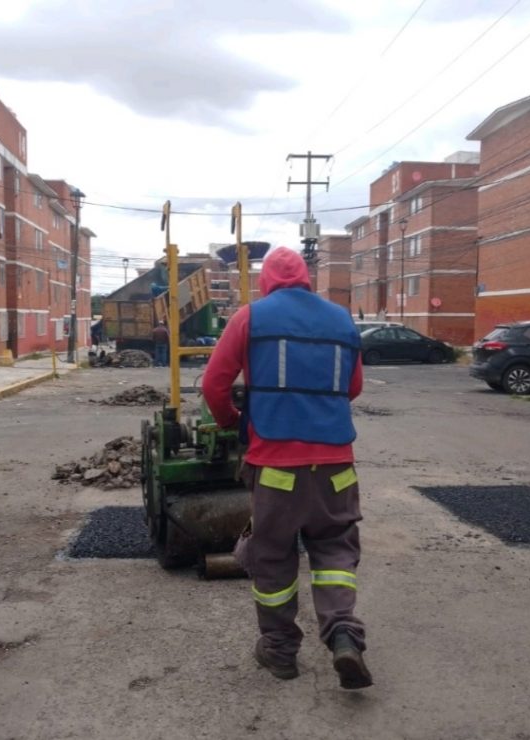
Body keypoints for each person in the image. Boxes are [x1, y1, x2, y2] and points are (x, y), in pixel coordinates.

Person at [202, 246, 371, 690]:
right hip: (337, 467)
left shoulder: (251, 317)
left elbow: (213, 384)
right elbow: (351, 388)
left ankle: (280, 652)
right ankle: (342, 636)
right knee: (335, 553)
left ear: (268, 282)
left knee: (275, 557)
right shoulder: (341, 319)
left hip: (276, 469)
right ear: (307, 279)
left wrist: (233, 422)